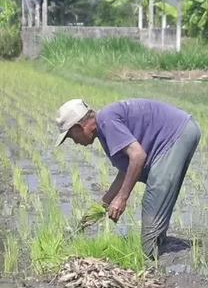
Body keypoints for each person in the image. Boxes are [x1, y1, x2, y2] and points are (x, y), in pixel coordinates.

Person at [54, 98, 201, 259]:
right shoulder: (105, 127)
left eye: (70, 136)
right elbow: (125, 171)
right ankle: (164, 250)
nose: (74, 141)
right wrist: (99, 208)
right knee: (157, 201)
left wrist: (121, 198)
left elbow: (138, 156)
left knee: (153, 198)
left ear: (79, 126)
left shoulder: (106, 122)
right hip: (182, 131)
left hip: (176, 135)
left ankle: (153, 259)